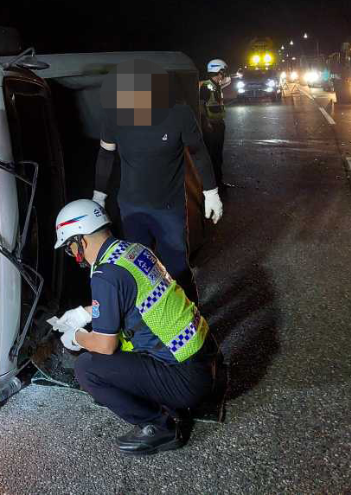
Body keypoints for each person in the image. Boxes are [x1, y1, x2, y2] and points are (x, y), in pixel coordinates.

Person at [49, 199, 220, 455]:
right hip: (206, 360)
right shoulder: (133, 251)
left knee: (88, 368)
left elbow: (106, 345)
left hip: (187, 382)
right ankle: (165, 400)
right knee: (114, 351)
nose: (73, 253)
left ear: (80, 241)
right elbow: (134, 300)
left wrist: (77, 337)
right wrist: (83, 313)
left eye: (69, 246)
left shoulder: (106, 275)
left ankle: (160, 426)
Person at [93, 59, 221, 304]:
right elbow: (105, 154)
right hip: (131, 209)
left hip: (169, 209)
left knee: (177, 270)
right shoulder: (114, 115)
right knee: (138, 271)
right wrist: (99, 194)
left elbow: (199, 152)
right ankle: (150, 325)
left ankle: (192, 323)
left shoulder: (179, 114)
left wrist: (211, 191)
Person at [199, 59, 228, 189]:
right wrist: (206, 123)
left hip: (218, 124)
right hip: (211, 126)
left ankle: (219, 182)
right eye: (223, 71)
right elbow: (200, 106)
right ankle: (211, 185)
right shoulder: (207, 86)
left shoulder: (217, 86)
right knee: (212, 156)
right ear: (218, 71)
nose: (224, 73)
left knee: (218, 155)